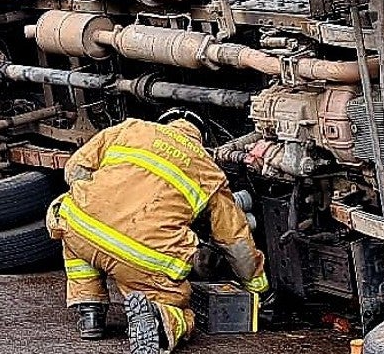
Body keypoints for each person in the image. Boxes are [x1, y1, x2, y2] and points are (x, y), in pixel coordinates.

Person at [47, 108, 268, 354]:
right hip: (147, 259)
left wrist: (104, 198)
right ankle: (159, 318)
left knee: (70, 222)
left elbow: (75, 169)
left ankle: (90, 310)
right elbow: (234, 240)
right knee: (178, 304)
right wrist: (256, 285)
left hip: (83, 230)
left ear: (164, 122)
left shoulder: (132, 128)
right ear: (201, 138)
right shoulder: (209, 171)